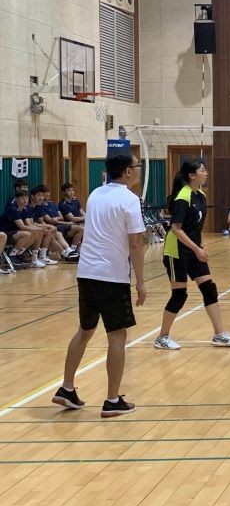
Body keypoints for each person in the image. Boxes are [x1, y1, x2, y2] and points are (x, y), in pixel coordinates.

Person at [53, 152, 146, 418]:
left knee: (85, 330)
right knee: (117, 335)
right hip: (111, 276)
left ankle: (67, 388)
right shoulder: (130, 199)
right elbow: (136, 243)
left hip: (86, 273)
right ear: (127, 171)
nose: (139, 169)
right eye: (137, 166)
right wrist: (140, 282)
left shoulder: (95, 194)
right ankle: (112, 400)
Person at [151, 158, 230, 351]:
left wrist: (199, 246)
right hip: (176, 251)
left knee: (209, 289)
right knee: (179, 295)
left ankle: (219, 334)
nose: (206, 173)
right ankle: (162, 337)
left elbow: (195, 227)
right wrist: (197, 249)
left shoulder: (200, 195)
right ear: (192, 175)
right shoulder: (183, 197)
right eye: (202, 170)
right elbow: (176, 229)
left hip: (193, 249)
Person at [0, 189, 38, 267]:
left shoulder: (24, 209)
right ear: (16, 199)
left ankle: (19, 254)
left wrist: (41, 229)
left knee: (36, 233)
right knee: (26, 234)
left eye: (26, 198)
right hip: (5, 232)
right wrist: (42, 229)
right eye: (22, 198)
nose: (25, 200)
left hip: (14, 232)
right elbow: (22, 227)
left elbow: (29, 225)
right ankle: (12, 255)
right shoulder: (13, 209)